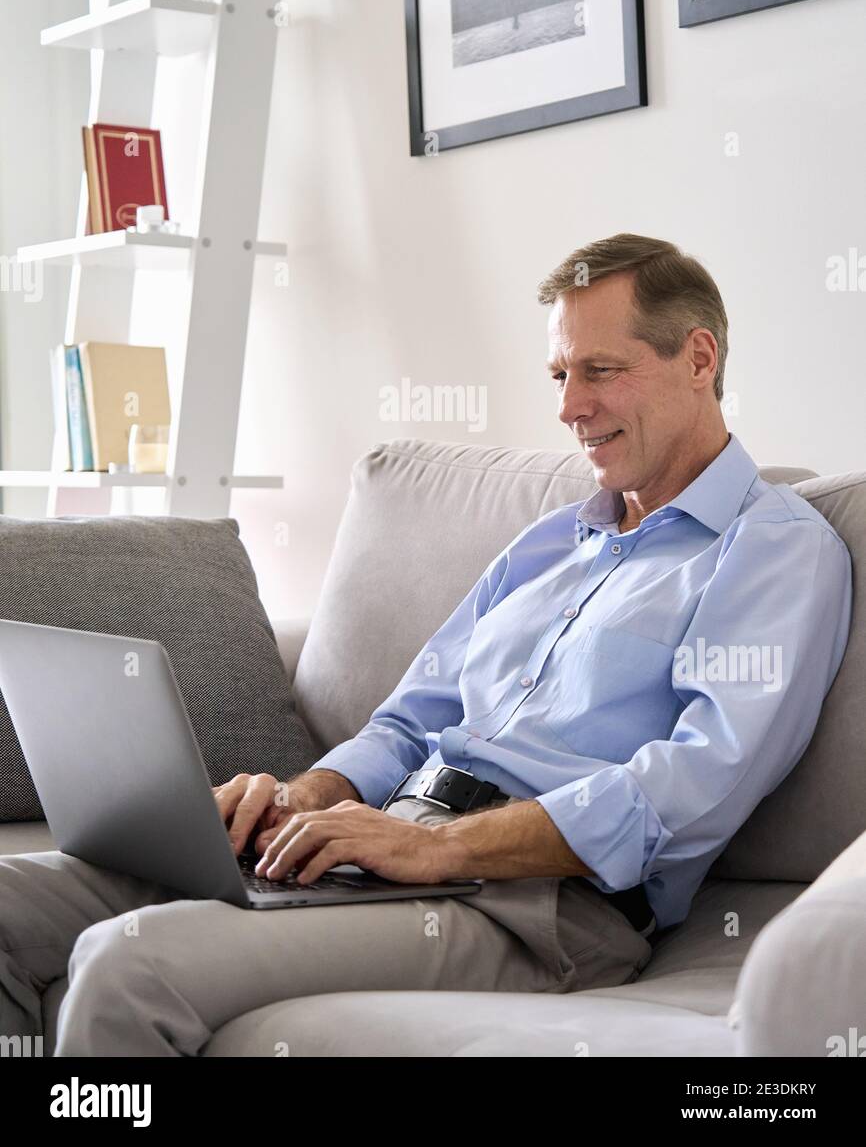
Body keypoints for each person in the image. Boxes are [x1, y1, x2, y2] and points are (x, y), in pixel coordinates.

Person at [0, 233, 852, 1056]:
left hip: (533, 904)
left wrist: (441, 845)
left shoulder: (772, 547)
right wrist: (307, 798)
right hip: (390, 844)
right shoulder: (552, 542)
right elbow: (411, 719)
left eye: (600, 370)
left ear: (699, 360)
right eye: (560, 374)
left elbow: (695, 785)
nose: (568, 406)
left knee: (129, 968)